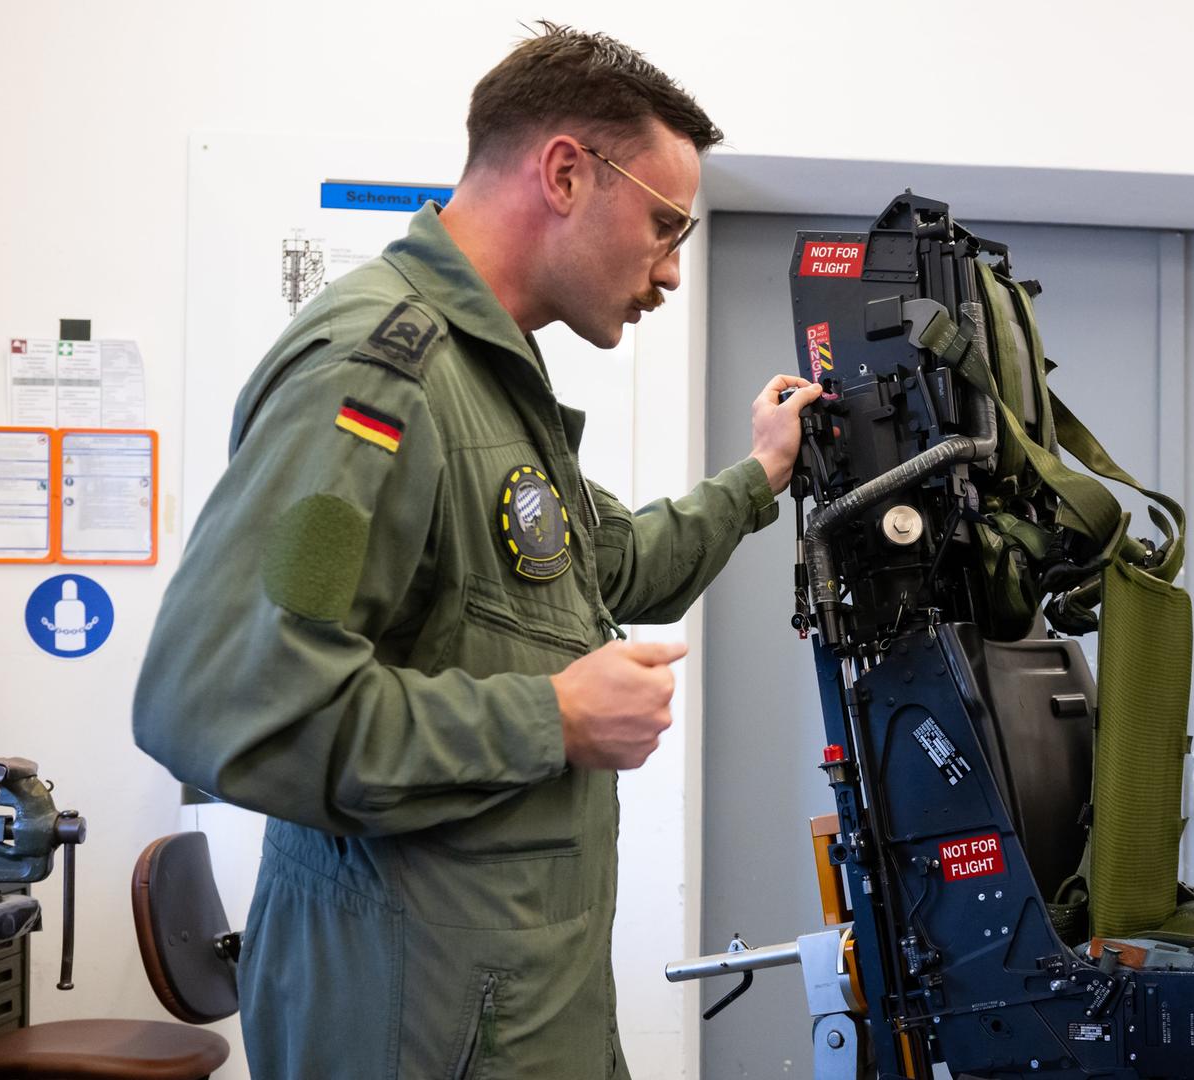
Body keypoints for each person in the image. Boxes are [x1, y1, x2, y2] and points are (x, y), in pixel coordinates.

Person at [133, 24, 822, 1078]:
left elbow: (616, 564)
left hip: (512, 1005)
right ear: (563, 173)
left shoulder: (488, 386)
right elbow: (233, 700)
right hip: (415, 1022)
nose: (673, 272)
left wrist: (760, 476)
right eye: (666, 224)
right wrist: (552, 716)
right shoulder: (376, 385)